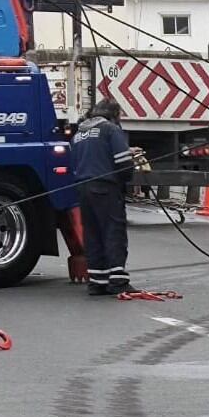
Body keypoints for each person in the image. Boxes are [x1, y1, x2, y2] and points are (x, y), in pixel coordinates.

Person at [71, 99, 136, 295]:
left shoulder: (79, 133)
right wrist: (127, 177)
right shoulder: (110, 130)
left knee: (93, 234)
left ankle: (97, 281)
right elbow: (123, 163)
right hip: (106, 188)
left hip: (83, 188)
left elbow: (74, 161)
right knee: (113, 231)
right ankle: (117, 280)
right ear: (114, 114)